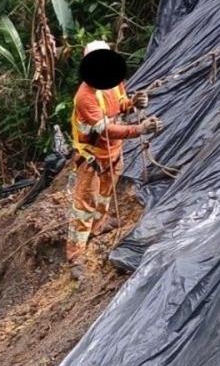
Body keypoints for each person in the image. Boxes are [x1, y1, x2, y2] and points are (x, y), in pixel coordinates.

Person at [67, 41, 163, 279]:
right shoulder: (84, 97)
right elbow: (106, 129)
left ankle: (99, 225)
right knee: (84, 206)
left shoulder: (114, 81)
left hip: (113, 152)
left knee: (105, 193)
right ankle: (75, 257)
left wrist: (133, 103)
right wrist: (139, 129)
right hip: (92, 157)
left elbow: (119, 104)